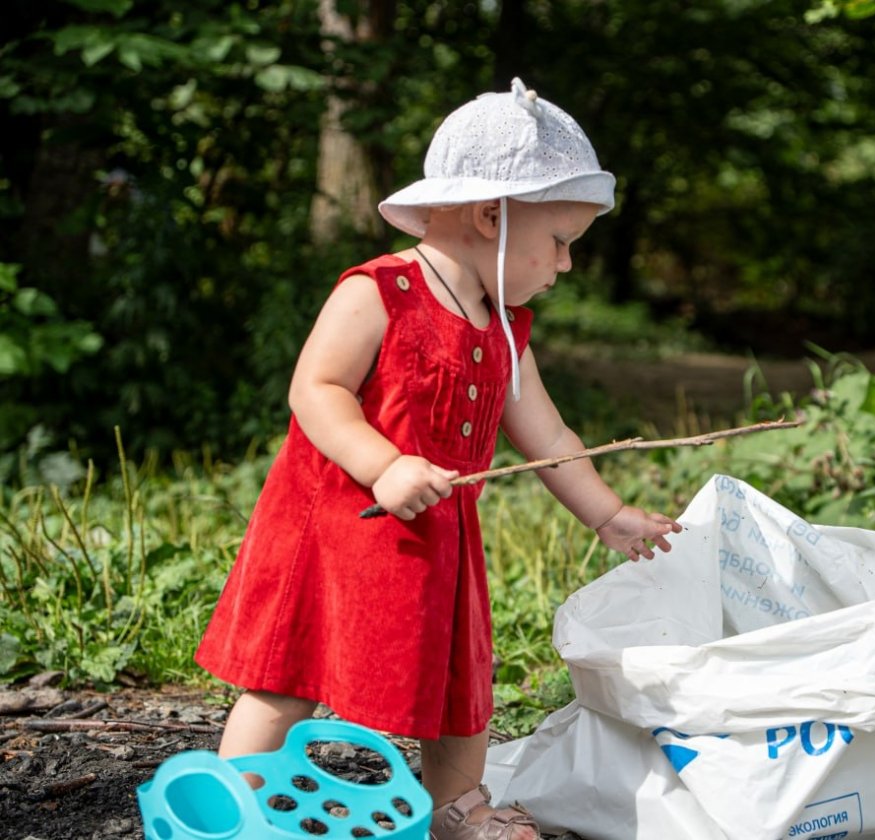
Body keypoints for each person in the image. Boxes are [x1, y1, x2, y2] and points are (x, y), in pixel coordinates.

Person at [195, 77, 682, 840]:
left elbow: (550, 438)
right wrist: (384, 464)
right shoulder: (380, 291)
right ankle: (233, 806)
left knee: (461, 686)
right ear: (491, 216)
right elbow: (316, 388)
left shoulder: (502, 329)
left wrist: (608, 513)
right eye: (560, 241)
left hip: (435, 544)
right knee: (288, 675)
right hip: (337, 532)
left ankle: (457, 807)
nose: (566, 264)